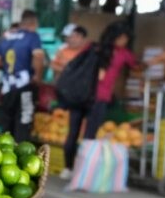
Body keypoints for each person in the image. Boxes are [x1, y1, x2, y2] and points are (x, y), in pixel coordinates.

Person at [60, 21, 142, 179]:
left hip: (80, 95)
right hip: (99, 98)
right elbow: (136, 66)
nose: (126, 41)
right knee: (89, 138)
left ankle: (68, 168)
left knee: (72, 133)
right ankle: (82, 172)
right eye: (125, 38)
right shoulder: (122, 53)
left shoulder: (92, 47)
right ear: (120, 37)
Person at [0, 10, 45, 141]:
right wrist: (37, 76)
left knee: (7, 124)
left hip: (7, 87)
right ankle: (20, 150)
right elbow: (38, 56)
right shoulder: (32, 36)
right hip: (25, 87)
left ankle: (4, 149)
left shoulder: (7, 37)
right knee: (24, 122)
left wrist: (7, 68)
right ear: (33, 23)